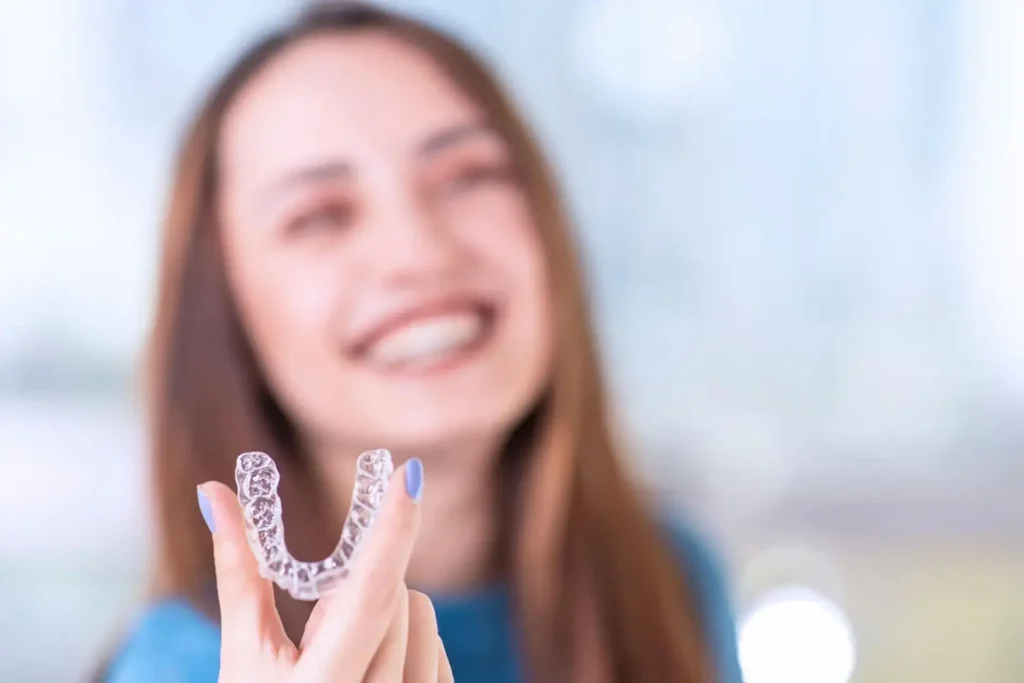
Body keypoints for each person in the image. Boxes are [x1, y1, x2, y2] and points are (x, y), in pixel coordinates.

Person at [103, 2, 743, 682]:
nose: (417, 251)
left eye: (468, 176)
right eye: (318, 215)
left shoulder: (670, 581)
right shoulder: (174, 666)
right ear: (226, 315)